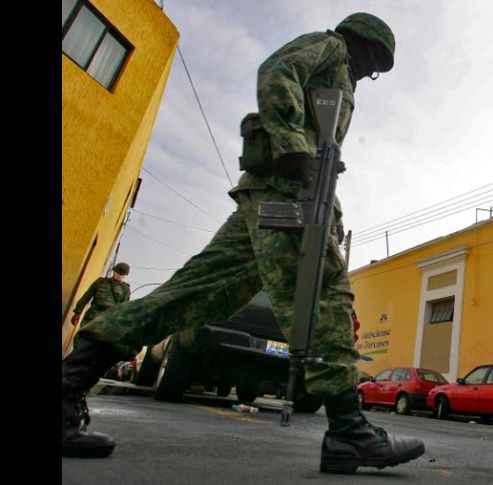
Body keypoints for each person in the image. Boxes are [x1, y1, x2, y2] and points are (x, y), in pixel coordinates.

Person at [62, 12, 425, 473]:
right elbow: (277, 71)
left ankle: (68, 384)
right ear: (365, 47)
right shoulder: (330, 49)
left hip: (276, 195)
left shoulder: (339, 74)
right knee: (328, 298)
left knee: (192, 292)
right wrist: (292, 142)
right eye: (373, 64)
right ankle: (349, 433)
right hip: (285, 195)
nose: (367, 75)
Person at [70, 262, 131, 327]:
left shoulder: (125, 289)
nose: (120, 276)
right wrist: (78, 312)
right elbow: (87, 296)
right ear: (114, 272)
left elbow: (123, 308)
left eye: (122, 275)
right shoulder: (100, 282)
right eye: (118, 273)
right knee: (83, 335)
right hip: (92, 316)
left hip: (108, 320)